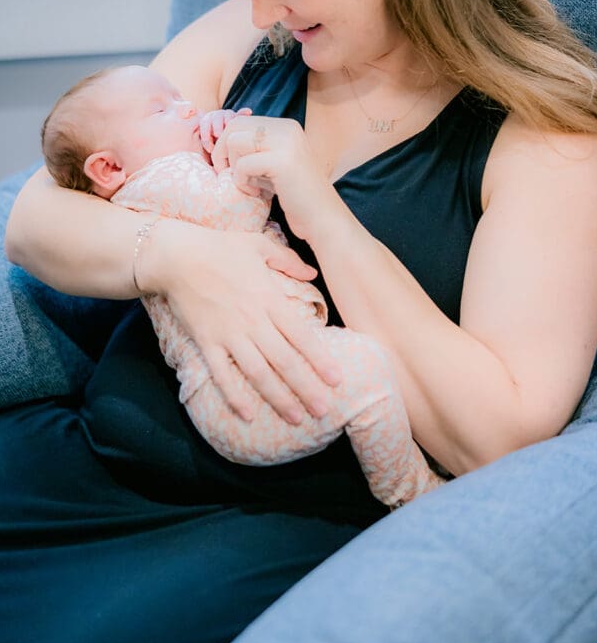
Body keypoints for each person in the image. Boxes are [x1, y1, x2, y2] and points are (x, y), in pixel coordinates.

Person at [0, 0, 597, 643]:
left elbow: (495, 433)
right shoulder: (255, 43)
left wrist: (318, 209)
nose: (259, 9)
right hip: (82, 464)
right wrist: (180, 260)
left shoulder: (543, 138)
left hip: (263, 528)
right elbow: (37, 219)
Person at [40, 63, 443, 508]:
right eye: (161, 110)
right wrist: (239, 148)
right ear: (109, 167)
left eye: (179, 97)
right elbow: (236, 208)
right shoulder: (155, 183)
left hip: (255, 385)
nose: (190, 109)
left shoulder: (163, 182)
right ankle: (408, 492)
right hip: (241, 398)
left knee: (364, 375)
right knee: (368, 369)